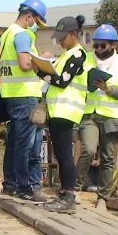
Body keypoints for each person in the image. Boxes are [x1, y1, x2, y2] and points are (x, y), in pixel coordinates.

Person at [35, 16, 92, 214]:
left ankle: (69, 196)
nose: (59, 40)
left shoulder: (78, 55)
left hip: (67, 111)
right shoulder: (66, 54)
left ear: (73, 34)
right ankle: (64, 193)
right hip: (58, 110)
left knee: (65, 155)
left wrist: (40, 71)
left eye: (62, 37)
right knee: (60, 154)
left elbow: (61, 81)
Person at [74, 24, 118, 205]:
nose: (98, 49)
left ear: (113, 45)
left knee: (108, 158)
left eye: (102, 45)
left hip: (111, 117)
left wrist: (109, 89)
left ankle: (103, 197)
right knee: (88, 150)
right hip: (89, 114)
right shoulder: (85, 60)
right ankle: (73, 189)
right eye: (96, 45)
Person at [0, 0, 47, 203]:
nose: (36, 26)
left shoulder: (7, 33)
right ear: (29, 17)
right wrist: (42, 63)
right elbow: (24, 64)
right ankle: (24, 186)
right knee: (26, 144)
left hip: (11, 94)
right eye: (36, 21)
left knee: (14, 142)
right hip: (25, 94)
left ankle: (10, 184)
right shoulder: (23, 35)